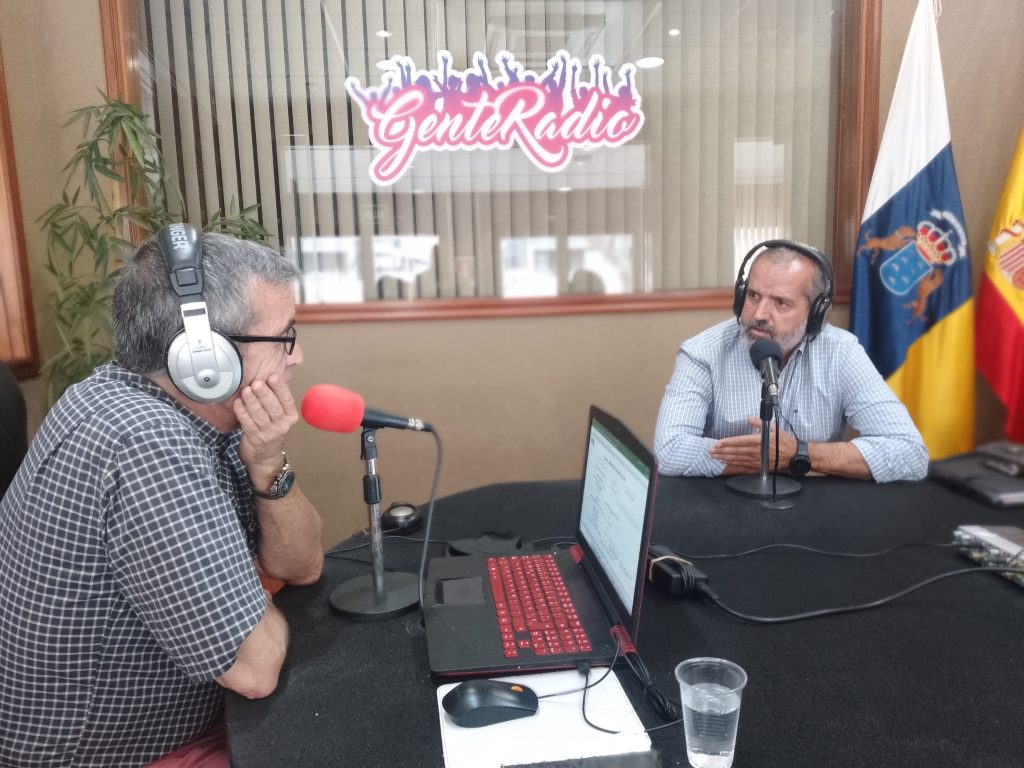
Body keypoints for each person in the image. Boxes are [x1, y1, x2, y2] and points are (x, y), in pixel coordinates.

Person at [0, 228, 326, 767]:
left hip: (172, 724)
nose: (297, 357)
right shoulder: (143, 439)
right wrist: (256, 605)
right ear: (206, 357)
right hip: (107, 756)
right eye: (284, 337)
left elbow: (302, 566)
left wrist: (268, 463)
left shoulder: (181, 408)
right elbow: (256, 668)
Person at [653, 240, 928, 482]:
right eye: (753, 296)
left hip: (813, 509)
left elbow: (910, 453)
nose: (759, 314)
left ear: (816, 313)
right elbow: (669, 451)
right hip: (722, 503)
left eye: (781, 303)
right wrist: (766, 458)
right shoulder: (702, 352)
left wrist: (800, 454)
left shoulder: (841, 353)